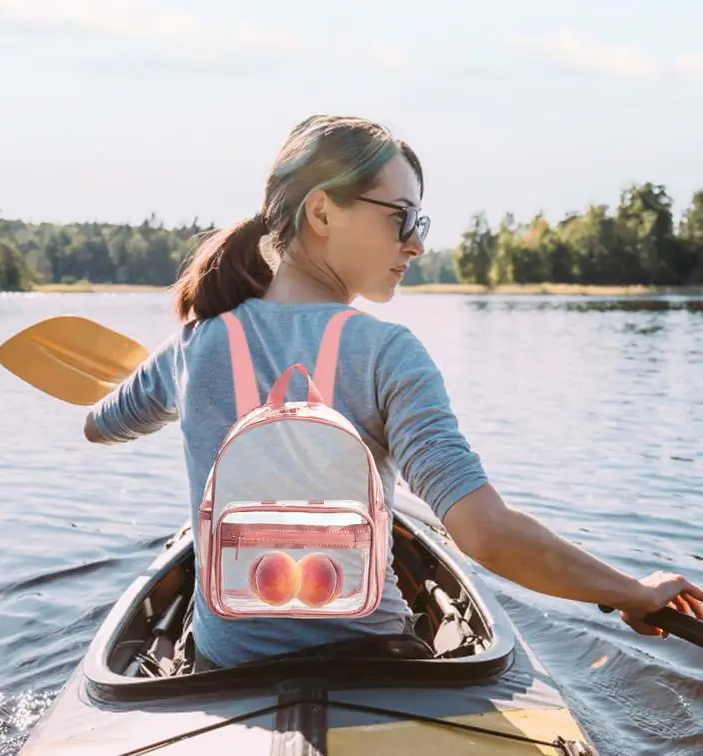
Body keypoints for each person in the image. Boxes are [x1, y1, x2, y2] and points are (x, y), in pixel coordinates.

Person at [83, 113, 703, 672]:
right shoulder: (386, 352)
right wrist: (631, 591)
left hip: (227, 665)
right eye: (401, 216)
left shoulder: (193, 347)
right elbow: (485, 532)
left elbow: (100, 425)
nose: (417, 242)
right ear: (322, 213)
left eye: (420, 221)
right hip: (372, 659)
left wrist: (171, 373)